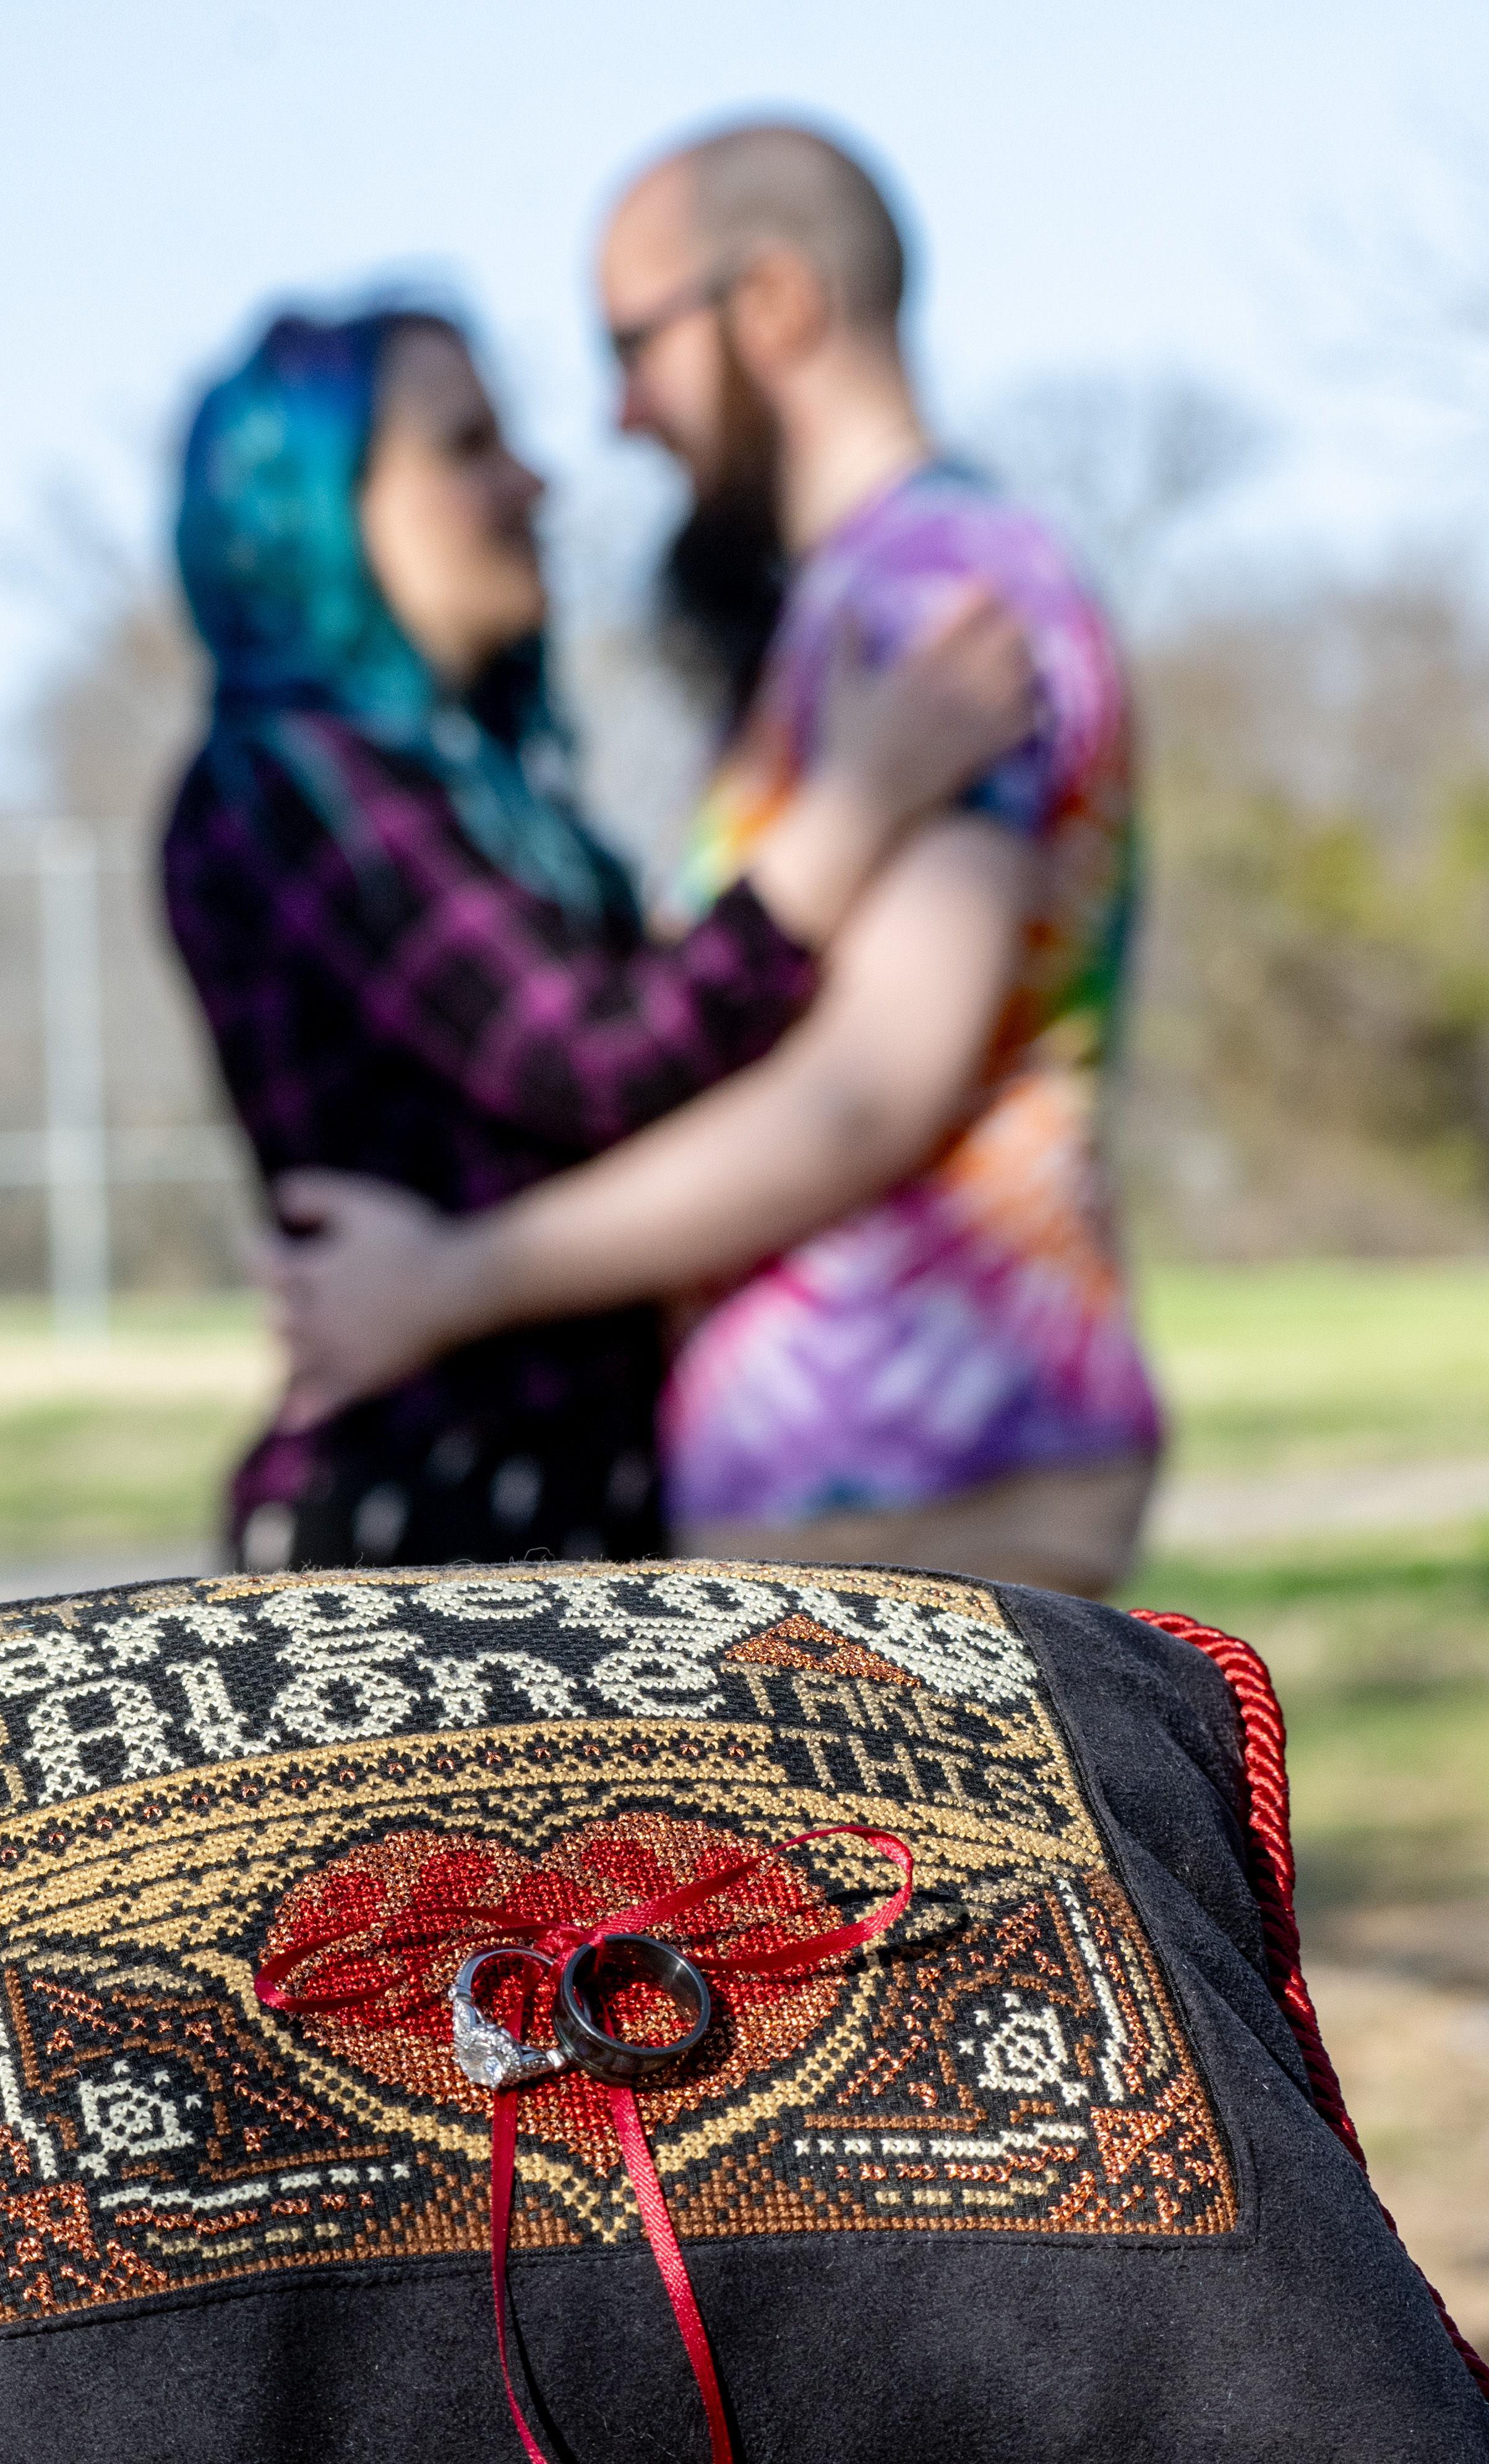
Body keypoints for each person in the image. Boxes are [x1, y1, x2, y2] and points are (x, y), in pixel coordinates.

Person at [267, 124, 1169, 1598]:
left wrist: (452, 1281)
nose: (619, 415)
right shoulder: (856, 606)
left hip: (925, 1477)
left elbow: (868, 1089)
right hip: (858, 1486)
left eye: (633, 346)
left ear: (774, 305)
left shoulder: (935, 602)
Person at [160, 300, 1032, 1573]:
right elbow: (595, 1054)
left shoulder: (468, 786)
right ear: (318, 512)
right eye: (467, 446)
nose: (534, 481)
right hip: (433, 1527)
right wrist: (861, 802)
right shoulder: (286, 784)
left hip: (560, 1508)